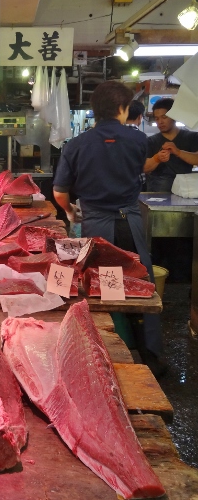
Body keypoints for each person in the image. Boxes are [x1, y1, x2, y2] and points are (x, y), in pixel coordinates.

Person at [53, 80, 166, 377]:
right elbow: (139, 168)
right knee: (141, 286)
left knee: (106, 289)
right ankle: (151, 358)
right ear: (121, 108)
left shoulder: (76, 145)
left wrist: (70, 211)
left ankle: (112, 354)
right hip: (131, 224)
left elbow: (60, 192)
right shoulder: (138, 139)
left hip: (98, 227)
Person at [144, 97, 198, 192]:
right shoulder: (151, 141)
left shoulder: (192, 137)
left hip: (185, 190)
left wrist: (178, 152)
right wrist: (157, 158)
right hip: (157, 192)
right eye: (157, 118)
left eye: (164, 117)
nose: (160, 122)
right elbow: (144, 168)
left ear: (174, 116)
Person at [126, 100, 146, 188]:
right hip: (136, 184)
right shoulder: (141, 137)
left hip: (118, 184)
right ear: (140, 117)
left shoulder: (114, 135)